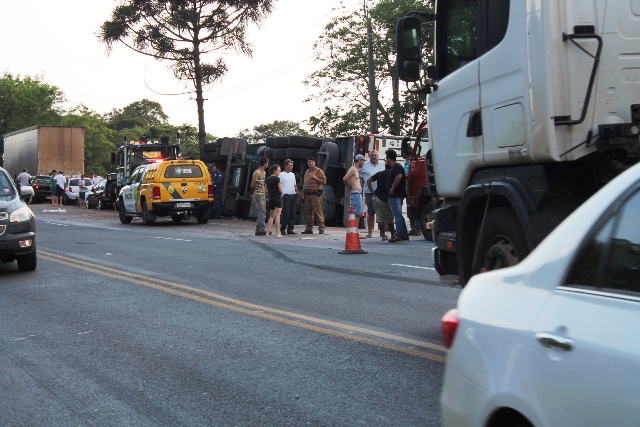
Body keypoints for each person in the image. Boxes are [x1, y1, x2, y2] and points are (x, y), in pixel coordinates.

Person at [367, 159, 395, 241]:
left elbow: (369, 180)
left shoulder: (380, 174)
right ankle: (393, 235)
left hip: (376, 197)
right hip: (385, 198)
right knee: (389, 217)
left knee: (380, 217)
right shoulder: (391, 174)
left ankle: (383, 235)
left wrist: (372, 191)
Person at [360, 150, 385, 238]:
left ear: (377, 156)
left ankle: (382, 232)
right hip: (369, 192)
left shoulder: (382, 164)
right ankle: (370, 231)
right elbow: (355, 170)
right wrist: (362, 179)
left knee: (382, 211)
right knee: (371, 211)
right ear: (369, 156)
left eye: (375, 155)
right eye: (372, 155)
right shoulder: (364, 164)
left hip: (381, 191)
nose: (374, 157)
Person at [385, 149, 409, 243]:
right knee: (398, 214)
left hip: (395, 195)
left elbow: (399, 176)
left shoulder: (396, 167)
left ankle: (399, 235)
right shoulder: (397, 166)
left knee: (397, 214)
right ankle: (403, 233)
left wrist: (392, 187)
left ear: (389, 158)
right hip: (397, 194)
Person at [301, 156, 327, 234]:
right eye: (309, 162)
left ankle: (321, 228)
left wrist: (316, 178)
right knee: (308, 213)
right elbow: (305, 183)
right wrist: (302, 192)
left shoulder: (319, 171)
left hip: (315, 195)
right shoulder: (307, 172)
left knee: (318, 212)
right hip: (307, 195)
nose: (311, 163)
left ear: (315, 162)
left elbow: (324, 181)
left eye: (312, 162)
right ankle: (309, 228)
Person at [343, 154, 366, 226]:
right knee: (357, 214)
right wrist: (349, 186)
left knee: (358, 213)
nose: (364, 163)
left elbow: (356, 176)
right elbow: (345, 178)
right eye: (363, 161)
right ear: (359, 161)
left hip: (357, 194)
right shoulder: (353, 169)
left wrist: (362, 179)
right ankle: (354, 230)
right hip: (355, 194)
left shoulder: (356, 170)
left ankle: (355, 231)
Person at [279, 159, 299, 235]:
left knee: (292, 213)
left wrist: (296, 191)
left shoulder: (292, 174)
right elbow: (279, 184)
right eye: (290, 165)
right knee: (286, 213)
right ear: (286, 166)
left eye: (292, 165)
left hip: (293, 195)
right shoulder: (281, 175)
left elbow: (294, 184)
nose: (292, 167)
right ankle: (283, 228)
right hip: (286, 195)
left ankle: (290, 229)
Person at [250, 156, 269, 235]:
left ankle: (258, 230)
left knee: (260, 212)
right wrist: (255, 192)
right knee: (262, 213)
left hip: (262, 194)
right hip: (258, 195)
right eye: (267, 163)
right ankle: (262, 229)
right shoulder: (257, 172)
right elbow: (253, 184)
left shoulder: (263, 173)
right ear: (265, 164)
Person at [265, 164, 284, 238]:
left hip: (271, 198)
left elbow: (265, 190)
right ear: (274, 171)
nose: (279, 171)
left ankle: (267, 233)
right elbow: (280, 190)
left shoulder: (268, 179)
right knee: (277, 216)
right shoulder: (277, 179)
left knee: (271, 216)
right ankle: (277, 233)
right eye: (278, 170)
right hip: (278, 198)